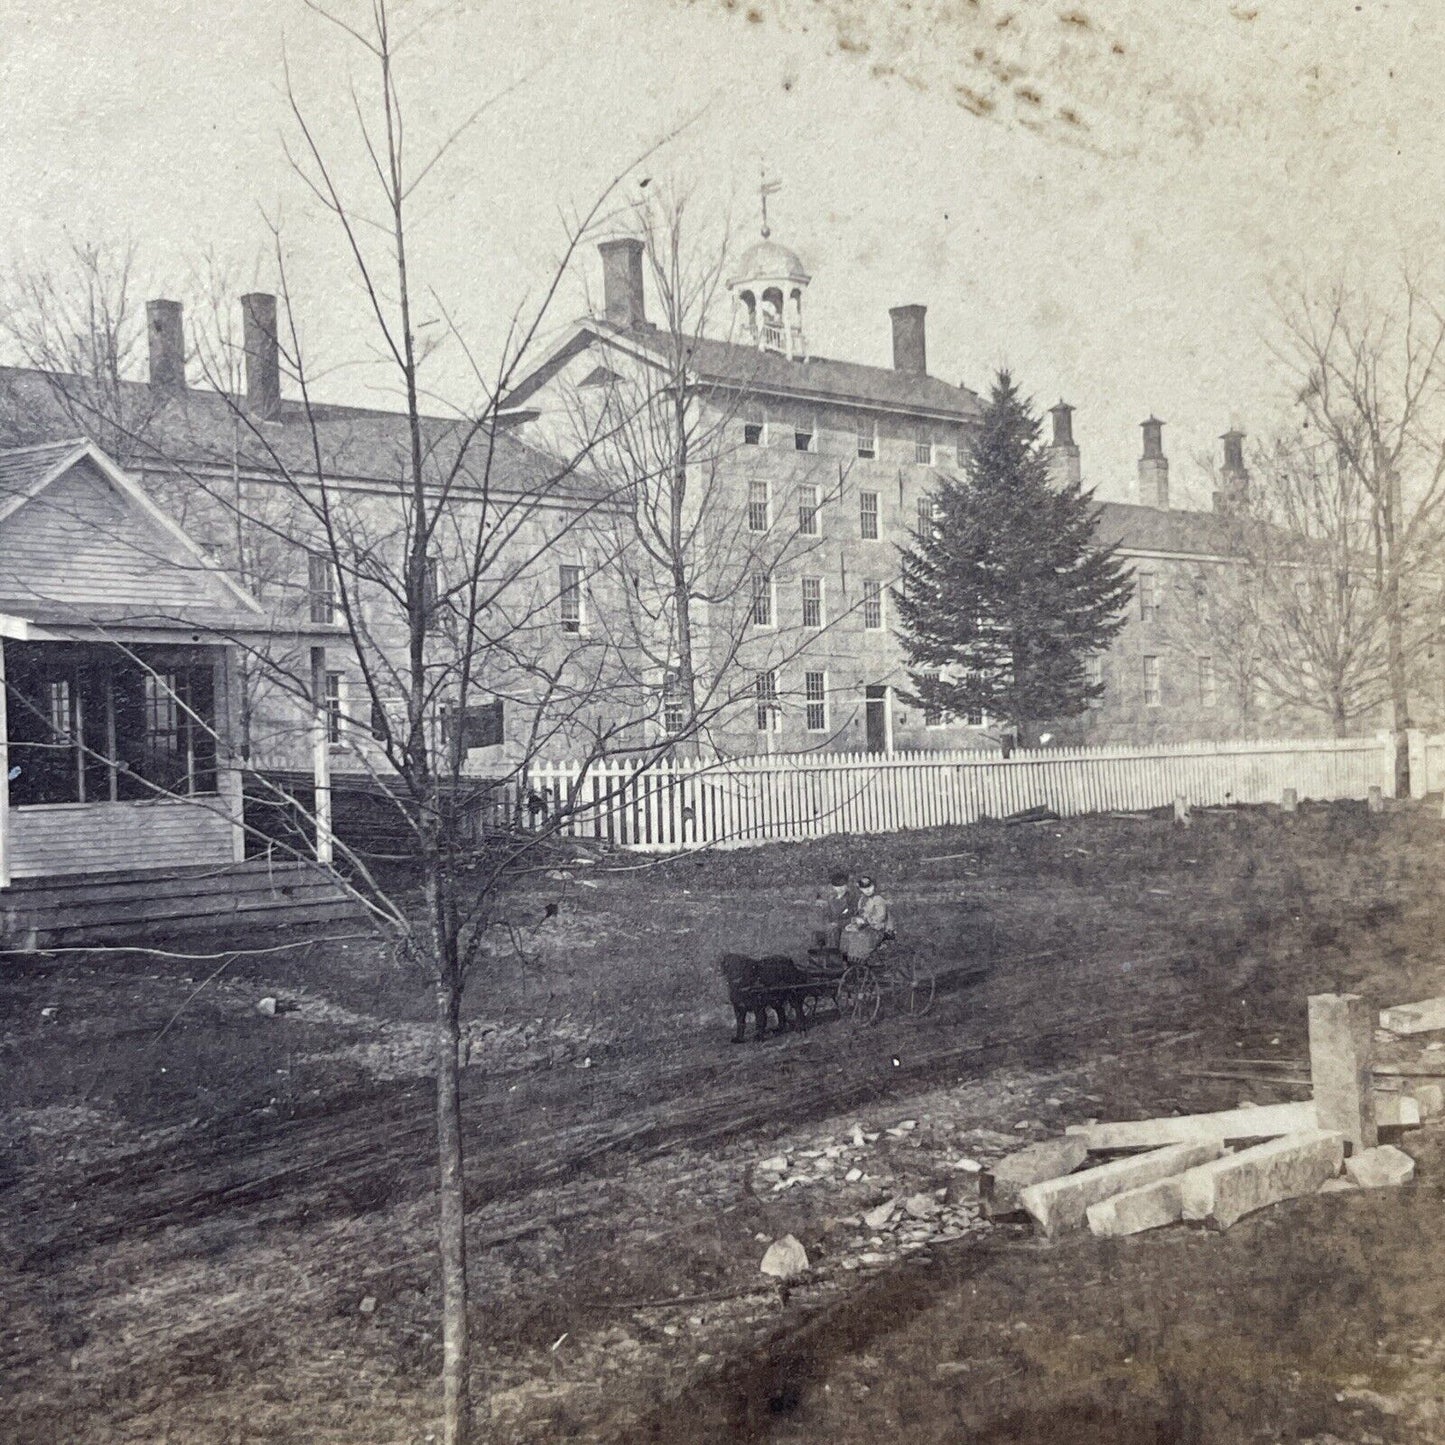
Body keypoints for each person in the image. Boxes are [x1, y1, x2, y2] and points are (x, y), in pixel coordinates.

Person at [808, 869, 854, 973]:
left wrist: (838, 923)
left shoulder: (851, 899)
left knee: (834, 932)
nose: (840, 889)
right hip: (832, 925)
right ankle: (817, 963)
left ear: (847, 885)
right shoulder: (831, 899)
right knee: (818, 933)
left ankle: (836, 964)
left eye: (843, 886)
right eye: (837, 887)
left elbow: (852, 915)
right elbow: (828, 914)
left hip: (846, 925)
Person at [840, 875, 893, 963]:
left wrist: (865, 920)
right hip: (866, 926)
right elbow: (860, 914)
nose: (868, 890)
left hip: (878, 929)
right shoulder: (862, 900)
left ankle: (859, 961)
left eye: (870, 887)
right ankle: (846, 960)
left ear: (874, 886)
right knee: (846, 933)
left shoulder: (878, 899)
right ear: (860, 889)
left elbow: (880, 917)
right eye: (864, 888)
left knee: (859, 936)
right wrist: (855, 922)